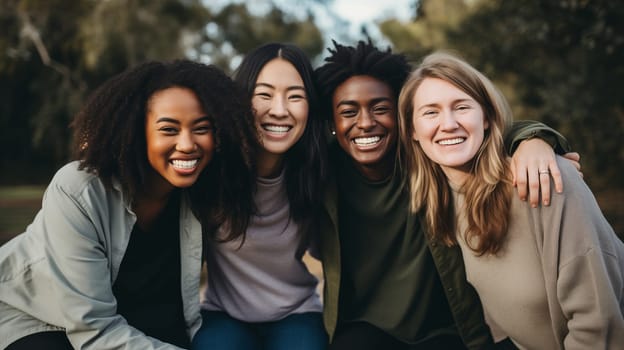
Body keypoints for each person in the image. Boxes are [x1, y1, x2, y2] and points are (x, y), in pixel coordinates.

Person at [314, 40, 582, 349]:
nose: (365, 123)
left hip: (446, 329)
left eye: (380, 109)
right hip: (363, 329)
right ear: (332, 123)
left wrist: (534, 138)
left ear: (405, 119)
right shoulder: (321, 172)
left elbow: (480, 133)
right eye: (349, 112)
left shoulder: (427, 158)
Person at [0, 60, 258, 349]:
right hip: (33, 314)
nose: (187, 144)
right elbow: (95, 331)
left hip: (130, 319)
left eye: (202, 128)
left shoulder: (204, 191)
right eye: (169, 129)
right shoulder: (79, 190)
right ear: (136, 132)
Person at [398, 51, 624, 349]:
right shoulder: (441, 203)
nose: (449, 123)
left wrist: (536, 141)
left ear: (488, 118)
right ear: (413, 130)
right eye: (431, 112)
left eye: (462, 107)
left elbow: (598, 325)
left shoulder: (545, 178)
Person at [192, 43, 328, 350]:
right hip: (222, 314)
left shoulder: (318, 173)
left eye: (295, 96)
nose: (279, 110)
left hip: (297, 313)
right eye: (264, 95)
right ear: (241, 100)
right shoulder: (211, 170)